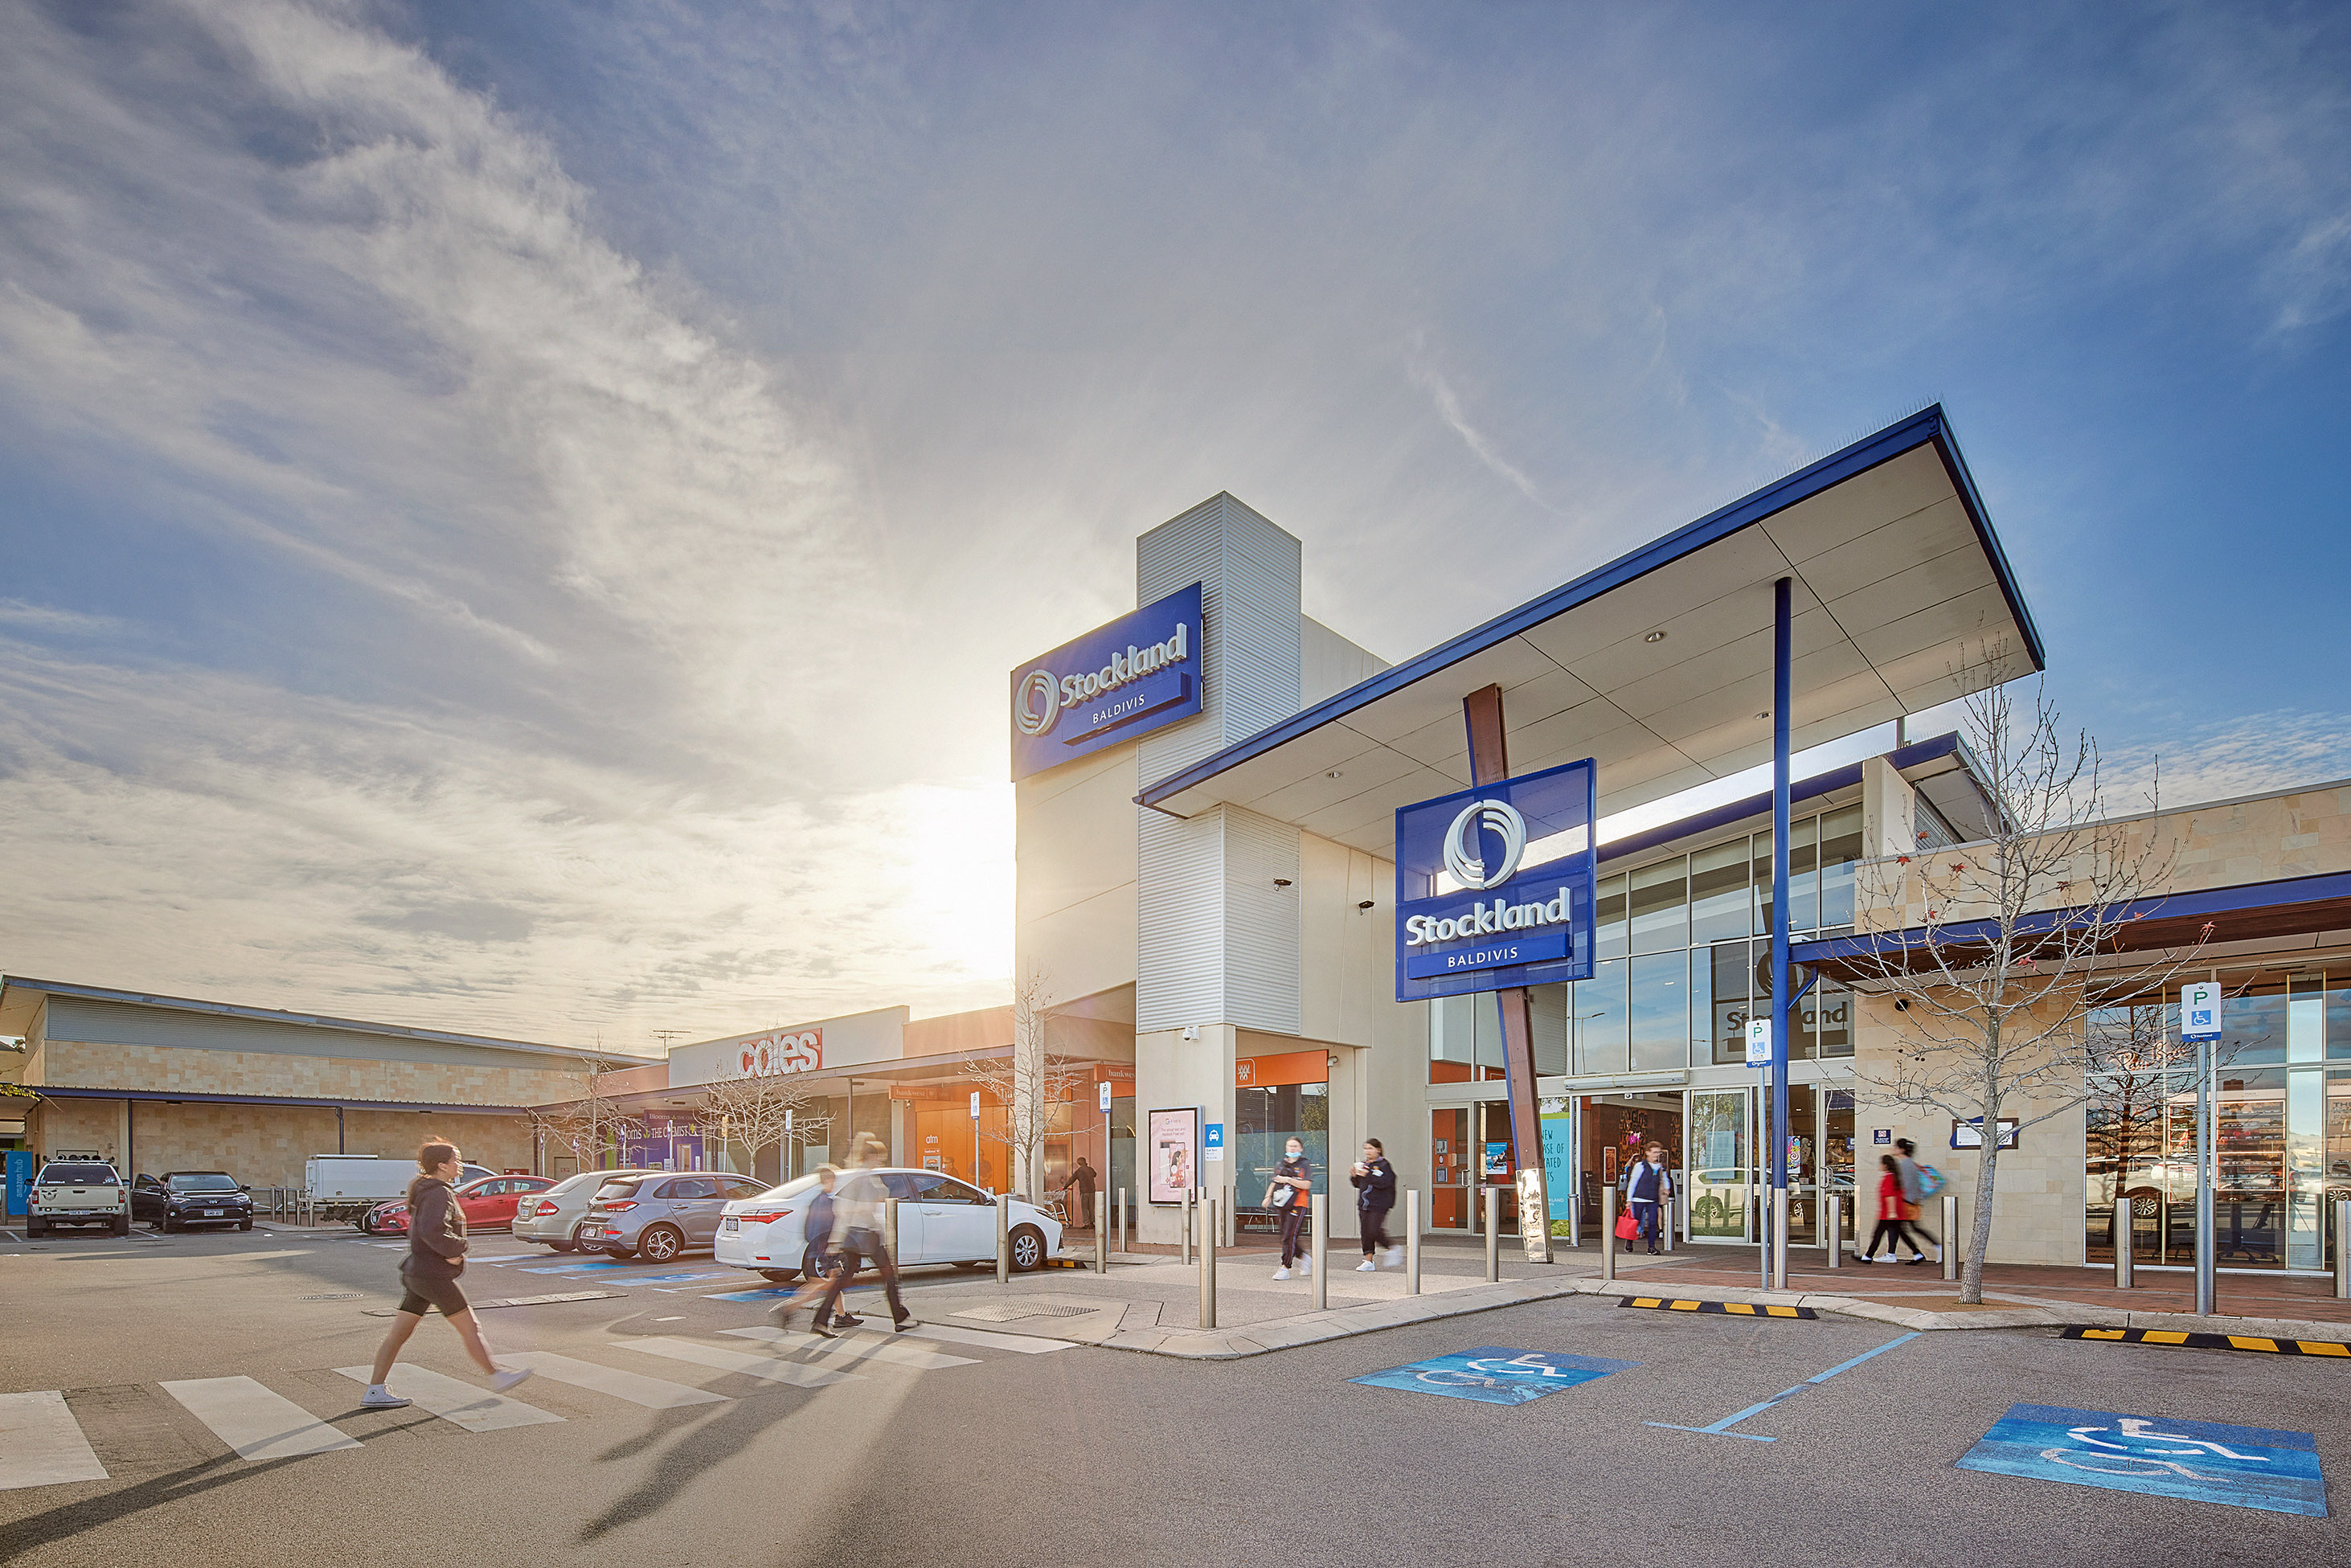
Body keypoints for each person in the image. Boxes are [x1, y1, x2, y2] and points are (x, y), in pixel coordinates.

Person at [359, 1138, 533, 1409]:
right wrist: (455, 1249)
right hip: (433, 1275)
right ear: (442, 1165)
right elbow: (432, 1230)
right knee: (470, 1327)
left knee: (398, 1335)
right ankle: (496, 1376)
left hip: (418, 1273)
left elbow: (423, 1230)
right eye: (456, 1159)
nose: (460, 1164)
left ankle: (374, 1390)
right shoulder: (438, 1192)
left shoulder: (427, 1189)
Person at [794, 1135, 916, 1337]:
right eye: (879, 1158)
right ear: (871, 1158)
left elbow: (845, 1211)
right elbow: (858, 1209)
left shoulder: (856, 1177)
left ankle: (820, 1321)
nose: (880, 1162)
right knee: (889, 1276)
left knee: (842, 1279)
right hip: (866, 1235)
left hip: (852, 1237)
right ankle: (900, 1319)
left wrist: (837, 1240)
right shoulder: (864, 1179)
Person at [1857, 1152, 1927, 1265]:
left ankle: (1868, 1256)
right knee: (1902, 1234)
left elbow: (1890, 1196)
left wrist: (1891, 1212)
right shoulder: (1893, 1177)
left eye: (1881, 1164)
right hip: (1893, 1212)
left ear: (1885, 1165)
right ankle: (1917, 1253)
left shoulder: (1889, 1178)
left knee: (1878, 1234)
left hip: (1889, 1213)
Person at [1265, 1136, 1313, 1280]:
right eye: (1290, 1146)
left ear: (1301, 1148)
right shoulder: (1281, 1165)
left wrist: (1288, 1180)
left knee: (1289, 1235)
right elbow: (1274, 1182)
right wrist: (1268, 1196)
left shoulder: (1304, 1164)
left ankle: (1285, 1267)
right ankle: (1304, 1257)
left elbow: (1306, 1185)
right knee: (1284, 1236)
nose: (1292, 1148)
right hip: (1282, 1203)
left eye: (1295, 1146)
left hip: (1298, 1204)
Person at [1350, 1139, 1399, 1270]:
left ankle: (1391, 1247)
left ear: (1378, 1149)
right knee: (1365, 1232)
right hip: (1364, 1204)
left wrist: (1368, 1174)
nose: (1367, 1151)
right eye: (1365, 1148)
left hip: (1379, 1203)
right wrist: (1355, 1176)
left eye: (1370, 1148)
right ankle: (1368, 1261)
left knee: (1374, 1230)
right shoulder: (1365, 1164)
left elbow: (1384, 1182)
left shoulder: (1384, 1165)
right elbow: (1359, 1184)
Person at [1624, 1143, 1673, 1255]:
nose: (1656, 1155)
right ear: (1647, 1152)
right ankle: (1629, 1242)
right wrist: (1629, 1200)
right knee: (1635, 1222)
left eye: (1658, 1152)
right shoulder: (1640, 1166)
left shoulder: (1660, 1166)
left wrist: (1667, 1188)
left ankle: (1651, 1247)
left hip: (1653, 1199)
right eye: (1654, 1152)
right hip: (1639, 1199)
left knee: (1652, 1223)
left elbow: (1664, 1179)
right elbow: (1633, 1183)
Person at [1893, 1138, 1938, 1250]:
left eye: (1895, 1147)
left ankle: (1919, 1252)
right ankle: (1921, 1251)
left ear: (1902, 1149)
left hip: (1908, 1202)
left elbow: (1907, 1185)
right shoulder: (1909, 1163)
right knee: (1909, 1228)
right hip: (1911, 1201)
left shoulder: (1906, 1164)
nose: (1893, 1149)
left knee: (1899, 1228)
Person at [1062, 1157, 1099, 1230]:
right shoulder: (1090, 1169)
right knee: (1091, 1207)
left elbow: (1071, 1180)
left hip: (1084, 1191)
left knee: (1084, 1208)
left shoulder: (1079, 1171)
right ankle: (1092, 1222)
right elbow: (1095, 1174)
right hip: (1092, 1190)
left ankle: (1087, 1223)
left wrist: (1065, 1187)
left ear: (1079, 1163)